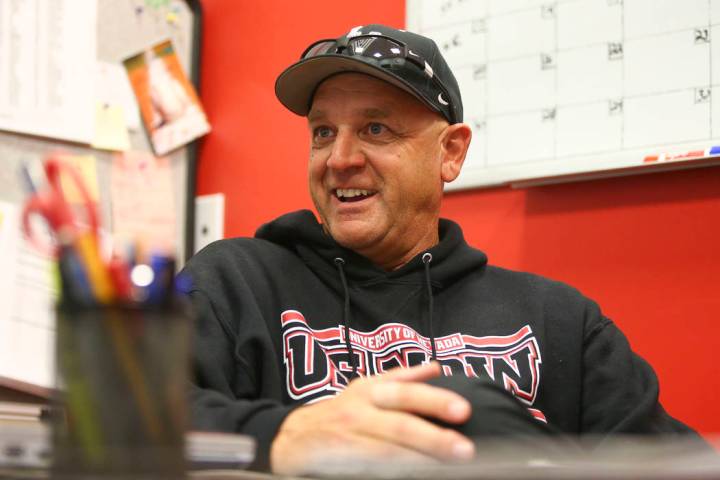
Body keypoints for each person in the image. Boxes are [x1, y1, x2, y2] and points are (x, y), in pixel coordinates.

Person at [182, 24, 700, 474]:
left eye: (374, 129)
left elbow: (674, 466)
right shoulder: (235, 283)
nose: (338, 159)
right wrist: (285, 437)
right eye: (322, 132)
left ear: (450, 152)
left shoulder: (559, 320)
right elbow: (131, 420)